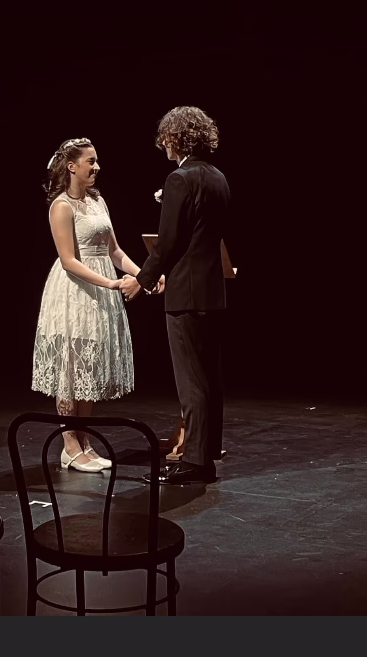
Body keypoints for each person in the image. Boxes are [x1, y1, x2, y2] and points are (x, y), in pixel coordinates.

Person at [121, 106, 230, 485]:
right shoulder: (217, 177)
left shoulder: (179, 178)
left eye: (166, 137)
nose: (162, 144)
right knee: (209, 378)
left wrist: (142, 280)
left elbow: (168, 242)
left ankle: (195, 463)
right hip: (212, 291)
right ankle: (207, 452)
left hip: (186, 292)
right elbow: (199, 230)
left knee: (191, 382)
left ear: (176, 138)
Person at [32, 138, 143, 470]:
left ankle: (85, 441)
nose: (96, 167)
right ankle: (69, 445)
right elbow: (68, 260)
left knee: (88, 367)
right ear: (72, 166)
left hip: (99, 290)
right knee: (71, 367)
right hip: (74, 292)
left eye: (96, 161)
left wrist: (144, 275)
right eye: (90, 161)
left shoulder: (97, 201)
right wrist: (111, 283)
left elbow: (114, 251)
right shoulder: (62, 206)